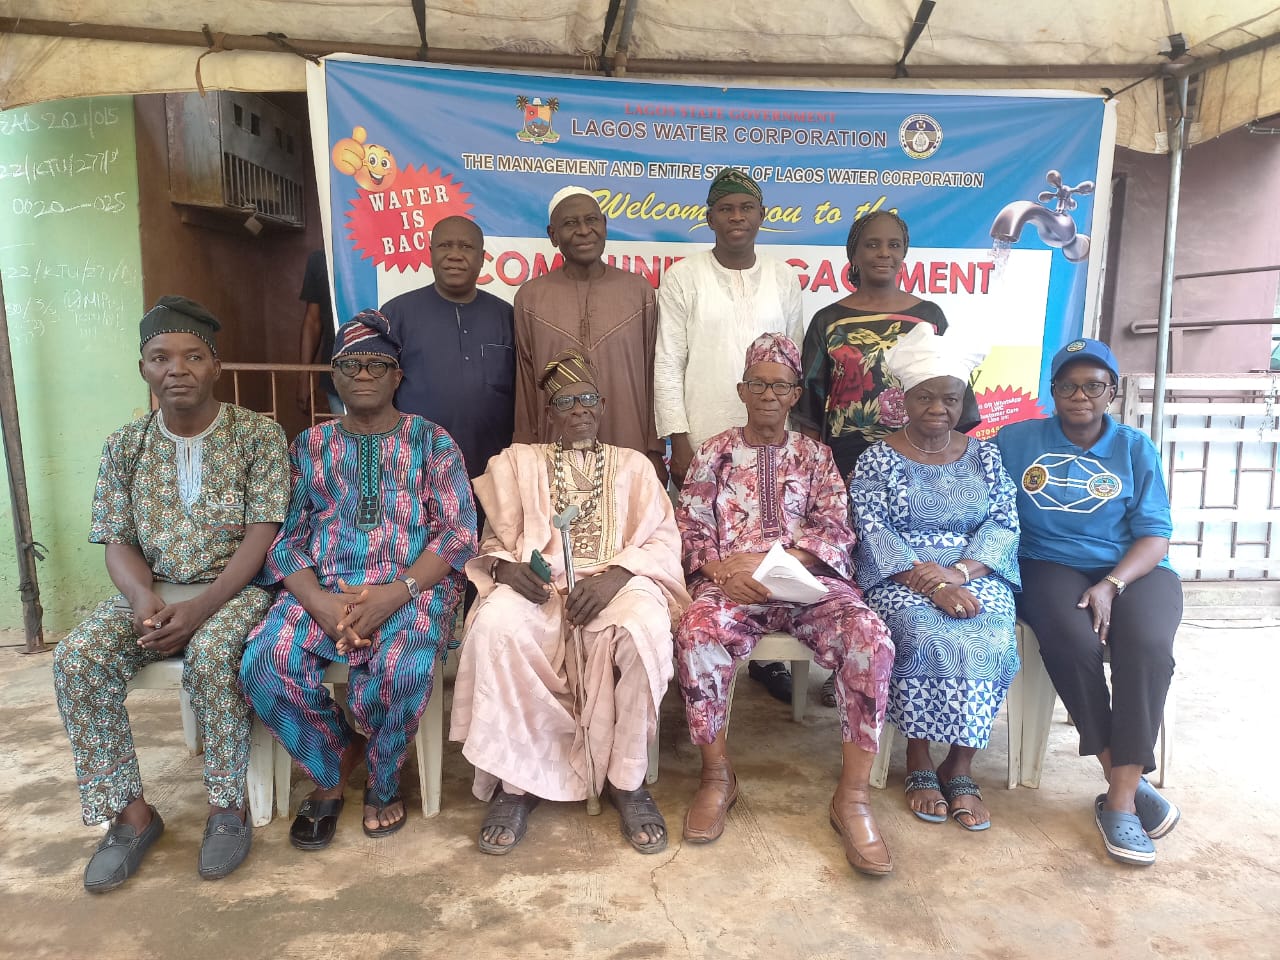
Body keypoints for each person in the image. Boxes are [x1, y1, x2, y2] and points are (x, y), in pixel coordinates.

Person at [52, 296, 289, 892]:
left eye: (192, 356)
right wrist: (141, 600)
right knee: (77, 659)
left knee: (212, 657)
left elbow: (263, 535)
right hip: (153, 592)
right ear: (143, 369)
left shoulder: (257, 434)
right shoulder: (124, 445)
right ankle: (131, 816)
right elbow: (116, 540)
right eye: (160, 357)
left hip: (235, 591)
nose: (175, 369)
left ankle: (227, 808)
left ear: (216, 365)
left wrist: (201, 608)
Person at [240, 310, 477, 848]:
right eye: (351, 364)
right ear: (334, 377)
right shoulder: (307, 448)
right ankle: (332, 762)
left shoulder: (431, 442)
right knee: (263, 662)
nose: (364, 373)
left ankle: (385, 776)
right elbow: (285, 536)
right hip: (322, 589)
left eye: (378, 364)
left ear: (398, 376)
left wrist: (394, 595)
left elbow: (458, 534)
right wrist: (321, 603)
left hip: (412, 589)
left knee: (408, 665)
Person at [451, 349, 689, 856]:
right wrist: (508, 570)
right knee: (496, 626)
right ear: (549, 414)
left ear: (602, 406)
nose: (579, 409)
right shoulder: (518, 463)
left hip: (621, 580)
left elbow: (664, 543)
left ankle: (628, 782)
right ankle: (516, 787)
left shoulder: (635, 466)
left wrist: (617, 576)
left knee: (640, 628)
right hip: (540, 586)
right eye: (566, 402)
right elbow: (494, 542)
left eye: (587, 399)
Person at [674, 333, 896, 876]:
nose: (768, 394)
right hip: (733, 586)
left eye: (779, 385)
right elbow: (685, 526)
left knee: (872, 637)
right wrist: (723, 569)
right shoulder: (714, 451)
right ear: (741, 390)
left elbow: (837, 530)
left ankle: (853, 798)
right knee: (697, 633)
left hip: (804, 586)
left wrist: (785, 563)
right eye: (758, 384)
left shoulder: (816, 455)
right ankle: (716, 776)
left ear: (796, 393)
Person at [995, 338, 1181, 866]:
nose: (1081, 395)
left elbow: (1154, 535)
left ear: (1112, 392)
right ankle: (1122, 781)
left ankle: (1118, 801)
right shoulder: (1016, 440)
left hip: (1133, 568)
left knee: (1146, 647)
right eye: (1068, 385)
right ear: (1052, 391)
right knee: (1071, 642)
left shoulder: (1134, 448)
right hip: (1046, 560)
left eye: (1093, 385)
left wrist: (1113, 584)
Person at [850, 323, 1020, 831]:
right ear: (904, 399)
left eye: (949, 398)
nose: (938, 410)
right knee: (926, 633)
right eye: (925, 398)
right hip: (902, 576)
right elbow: (872, 530)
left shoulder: (985, 455)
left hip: (973, 568)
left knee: (989, 631)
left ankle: (961, 765)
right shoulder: (877, 458)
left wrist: (961, 573)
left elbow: (1003, 522)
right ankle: (918, 757)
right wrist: (934, 586)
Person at [655, 167, 805, 705]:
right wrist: (678, 436)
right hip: (704, 433)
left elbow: (794, 357)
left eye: (746, 208)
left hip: (769, 433)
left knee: (771, 534)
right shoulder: (682, 277)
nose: (736, 218)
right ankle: (694, 654)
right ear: (710, 217)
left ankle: (768, 658)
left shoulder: (783, 277)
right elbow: (668, 361)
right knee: (706, 544)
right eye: (725, 209)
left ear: (762, 217)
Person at [796, 210, 980, 480]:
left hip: (918, 459)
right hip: (846, 461)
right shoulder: (829, 320)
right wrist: (818, 472)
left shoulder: (928, 316)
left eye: (894, 245)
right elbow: (809, 406)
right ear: (854, 255)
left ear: (903, 253)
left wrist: (942, 464)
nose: (884, 253)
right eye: (872, 245)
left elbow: (954, 397)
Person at [512, 187, 664, 479]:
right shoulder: (531, 298)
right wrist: (525, 453)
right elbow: (526, 387)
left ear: (604, 225)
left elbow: (652, 375)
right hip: (554, 453)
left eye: (591, 220)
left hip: (628, 448)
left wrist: (654, 449)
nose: (584, 231)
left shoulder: (638, 292)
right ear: (553, 235)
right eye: (570, 224)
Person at [378, 216, 515, 479]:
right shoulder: (397, 314)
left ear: (483, 256)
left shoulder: (506, 316)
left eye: (466, 247)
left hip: (492, 466)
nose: (454, 255)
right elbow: (379, 392)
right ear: (431, 253)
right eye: (445, 246)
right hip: (415, 464)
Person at [296, 249, 343, 415]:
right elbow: (313, 321)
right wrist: (304, 377)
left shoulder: (383, 253)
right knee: (346, 439)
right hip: (336, 379)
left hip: (382, 378)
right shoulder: (320, 260)